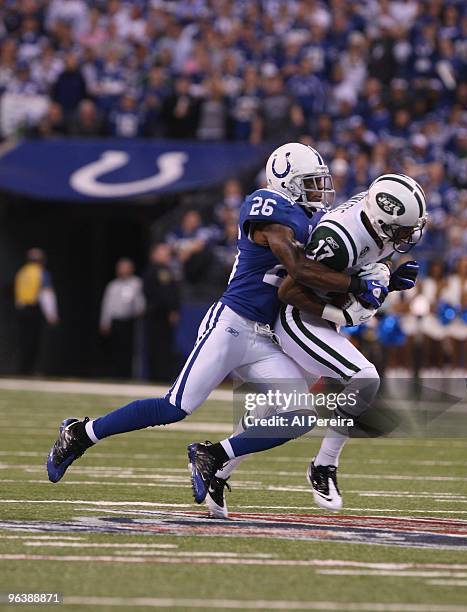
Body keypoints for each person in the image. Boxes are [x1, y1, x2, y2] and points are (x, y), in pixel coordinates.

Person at [46, 142, 388, 495]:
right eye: (311, 182)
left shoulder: (312, 219)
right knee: (175, 407)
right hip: (232, 324)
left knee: (298, 417)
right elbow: (298, 267)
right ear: (286, 182)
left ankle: (212, 456)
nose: (319, 190)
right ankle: (80, 434)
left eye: (320, 182)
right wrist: (357, 281)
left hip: (266, 336)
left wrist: (383, 275)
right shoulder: (268, 206)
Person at [202, 173, 427, 518]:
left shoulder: (373, 224)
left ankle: (218, 463)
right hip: (299, 316)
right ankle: (324, 467)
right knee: (364, 378)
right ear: (383, 220)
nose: (407, 236)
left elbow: (357, 274)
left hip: (317, 314)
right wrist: (343, 310)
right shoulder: (339, 238)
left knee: (272, 414)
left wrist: (387, 282)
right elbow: (290, 291)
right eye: (402, 230)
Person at [14, 248, 59, 375]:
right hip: (34, 309)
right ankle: (32, 369)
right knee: (34, 341)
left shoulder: (22, 272)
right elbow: (46, 294)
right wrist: (51, 314)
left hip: (21, 310)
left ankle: (23, 368)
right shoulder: (41, 272)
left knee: (24, 340)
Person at [99, 258, 145, 379]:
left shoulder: (136, 283)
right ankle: (115, 374)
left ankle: (128, 374)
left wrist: (140, 309)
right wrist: (105, 321)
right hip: (116, 321)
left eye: (125, 267)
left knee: (128, 349)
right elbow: (107, 304)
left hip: (129, 321)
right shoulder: (113, 285)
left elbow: (140, 300)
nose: (122, 270)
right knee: (115, 349)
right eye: (120, 267)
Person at [143, 243, 181, 382]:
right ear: (155, 254)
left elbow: (173, 292)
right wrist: (172, 309)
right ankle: (158, 376)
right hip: (158, 314)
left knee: (162, 346)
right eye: (163, 252)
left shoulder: (164, 270)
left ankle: (159, 376)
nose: (167, 255)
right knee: (158, 347)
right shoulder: (158, 270)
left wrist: (174, 309)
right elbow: (165, 294)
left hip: (160, 315)